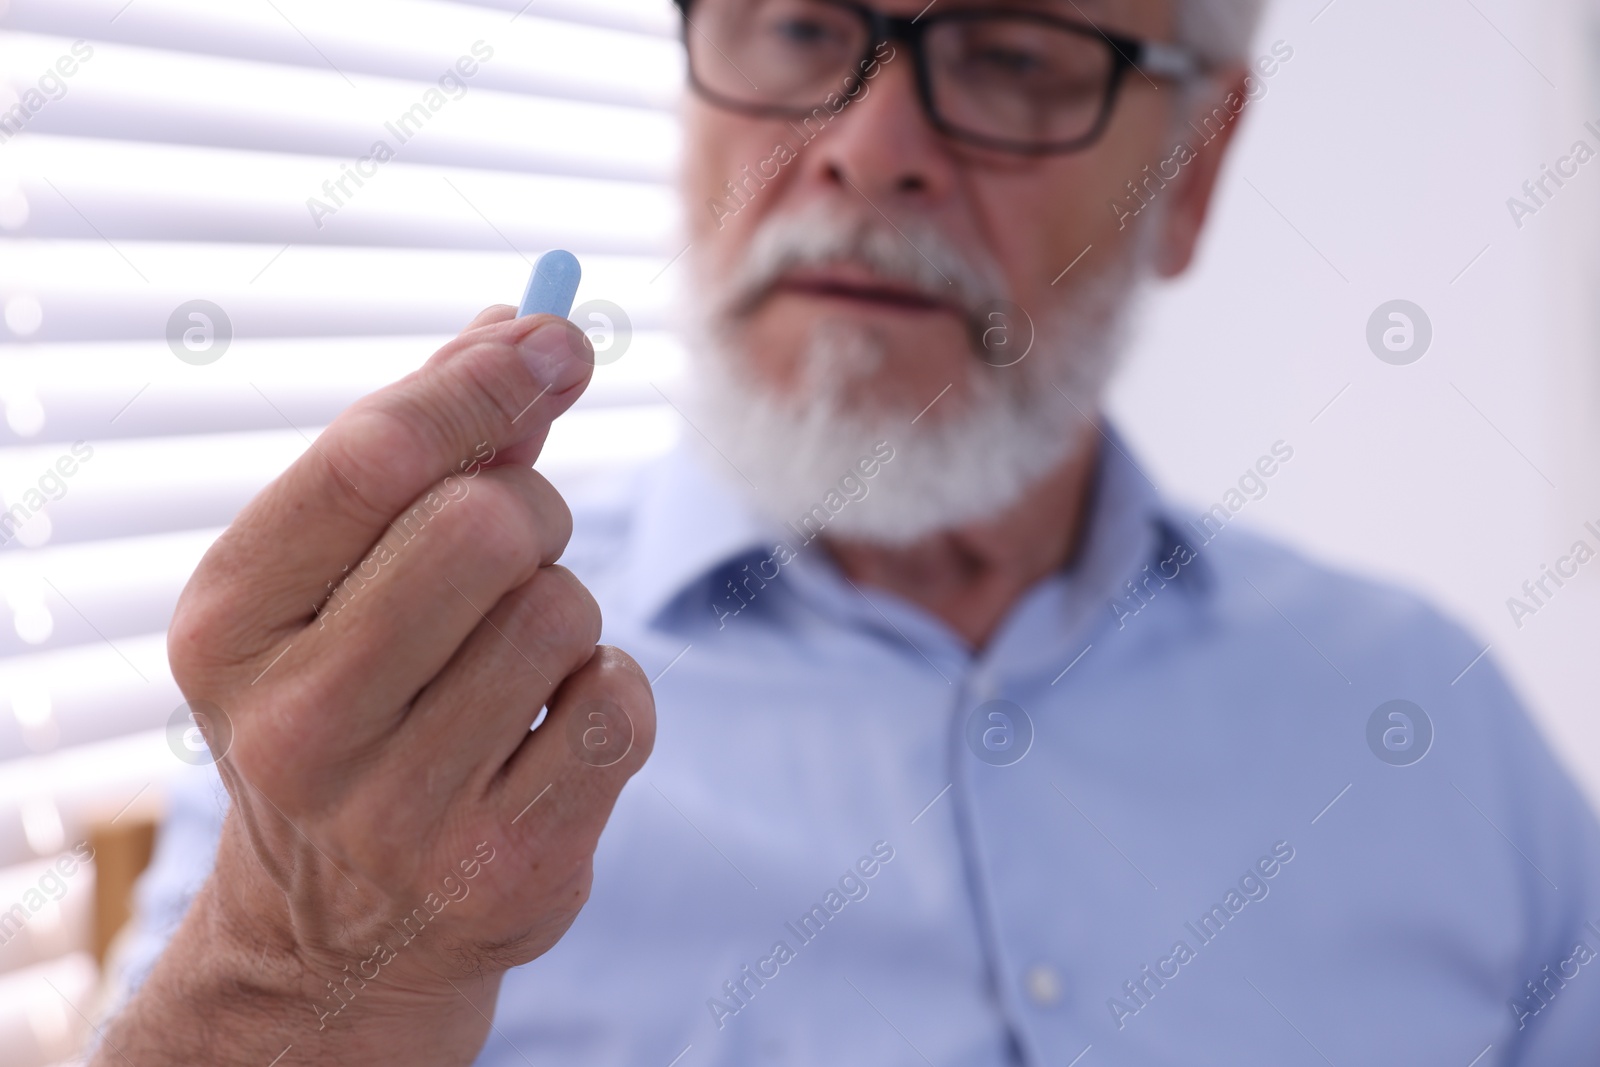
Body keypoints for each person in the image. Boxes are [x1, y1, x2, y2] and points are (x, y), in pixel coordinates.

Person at [99, 0, 1600, 1064]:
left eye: (1015, 55)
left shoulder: (1434, 726)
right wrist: (293, 971)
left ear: (1191, 171)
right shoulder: (390, 740)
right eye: (805, 29)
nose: (869, 147)